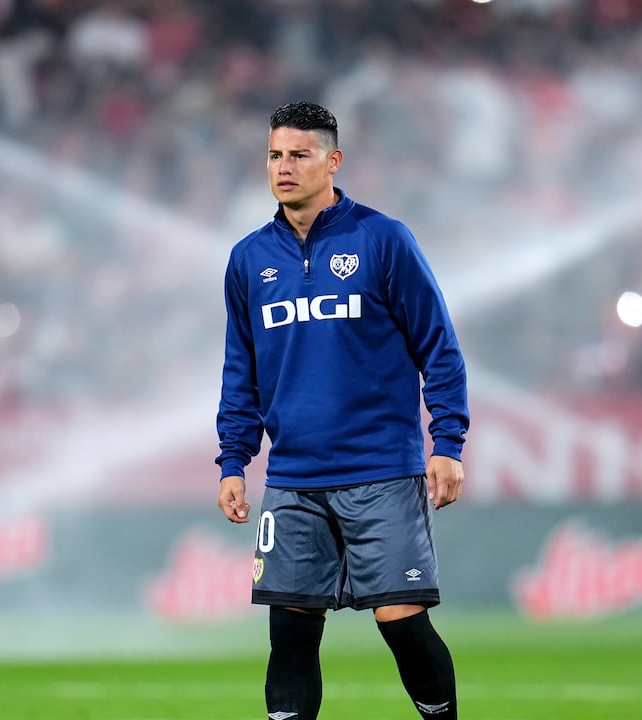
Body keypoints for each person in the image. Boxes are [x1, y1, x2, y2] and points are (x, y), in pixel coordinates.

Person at [215, 101, 469, 720]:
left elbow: (438, 346)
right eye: (275, 155)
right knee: (291, 636)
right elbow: (240, 371)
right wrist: (232, 459)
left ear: (334, 160)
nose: (284, 167)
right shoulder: (249, 259)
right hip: (294, 479)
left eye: (300, 154)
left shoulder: (382, 239)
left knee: (402, 624)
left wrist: (447, 445)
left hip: (380, 469)